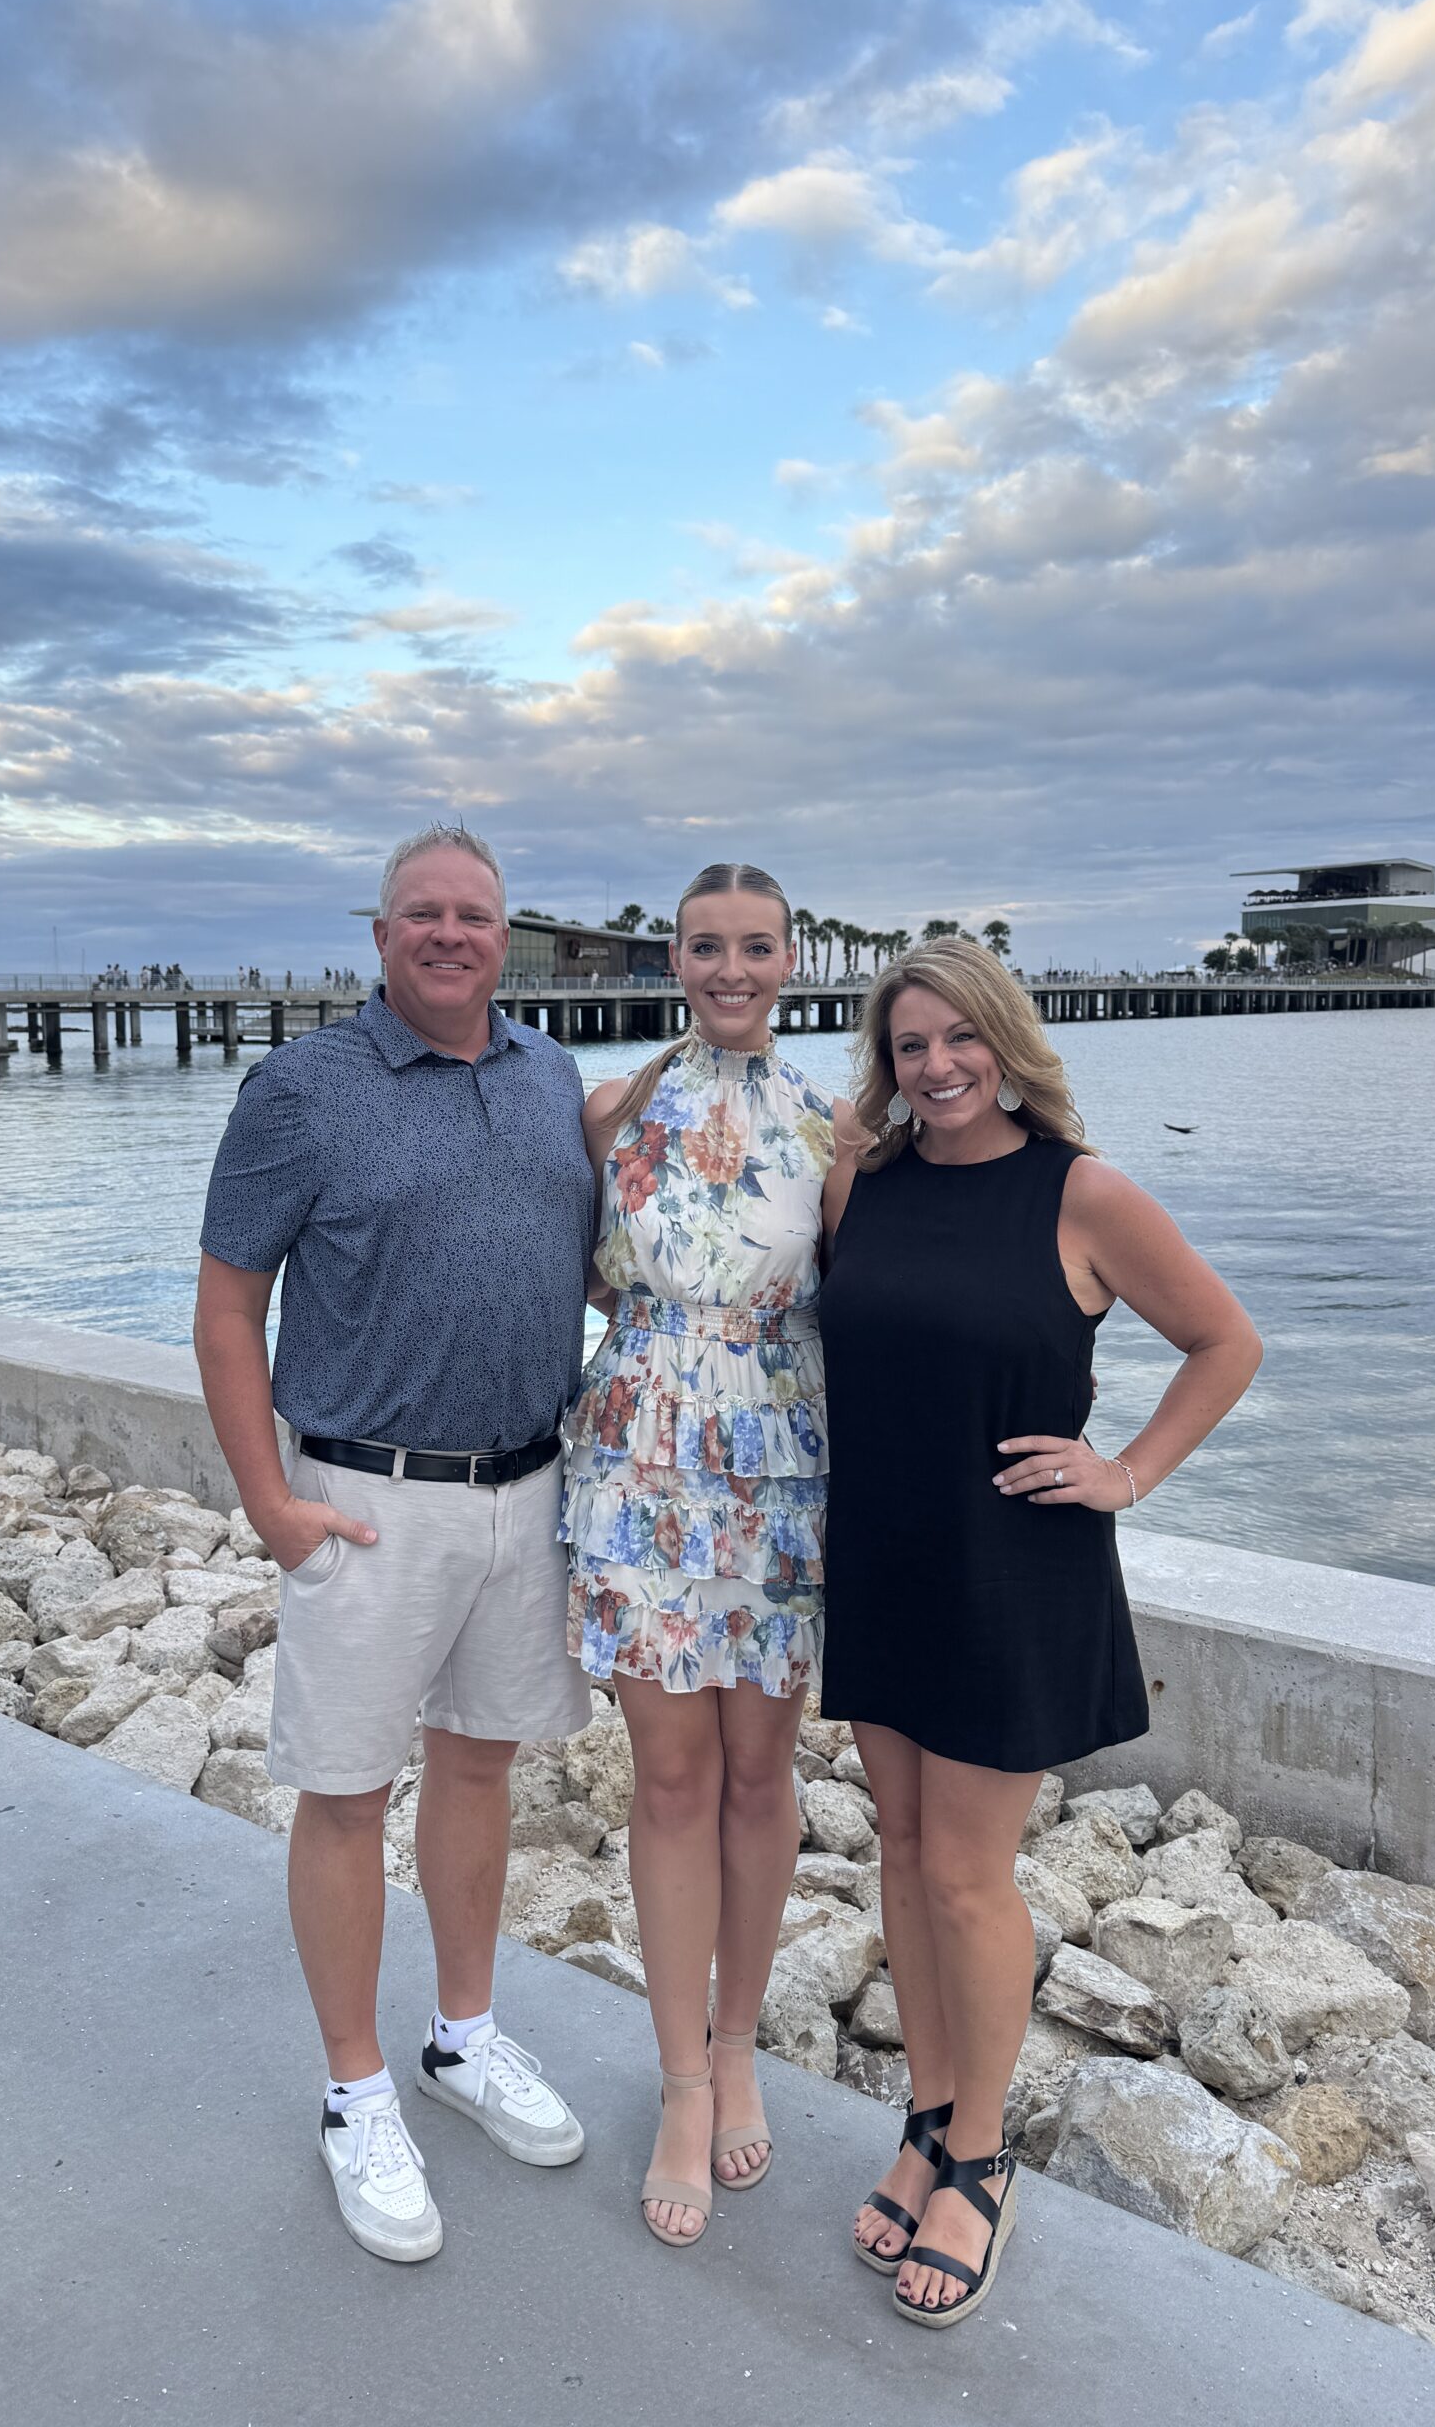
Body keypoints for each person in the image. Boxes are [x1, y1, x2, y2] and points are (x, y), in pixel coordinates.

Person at [818, 937, 1261, 2328]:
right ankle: (925, 2116)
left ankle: (982, 2156)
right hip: (882, 1554)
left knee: (965, 1875)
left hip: (1012, 1565)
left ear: (1008, 1042)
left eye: (962, 1040)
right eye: (910, 1047)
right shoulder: (862, 1182)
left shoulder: (1083, 1193)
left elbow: (1226, 1343)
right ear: (885, 1066)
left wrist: (1123, 1470)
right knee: (897, 1851)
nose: (938, 1067)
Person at [194, 824, 596, 2266]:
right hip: (366, 1497)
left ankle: (463, 2038)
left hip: (530, 1486)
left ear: (507, 935)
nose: (449, 935)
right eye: (421, 914)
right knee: (348, 1794)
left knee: (481, 1762)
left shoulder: (553, 1080)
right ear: (379, 936)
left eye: (473, 915)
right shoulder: (302, 1091)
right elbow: (229, 1308)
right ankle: (355, 2088)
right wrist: (271, 1502)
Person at [565, 863, 838, 2247]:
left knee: (756, 1774)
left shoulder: (834, 1130)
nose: (732, 968)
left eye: (756, 946)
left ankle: (740, 2050)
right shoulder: (611, 1110)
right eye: (706, 947)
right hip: (639, 1468)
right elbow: (569, 1278)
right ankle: (681, 2078)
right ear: (674, 958)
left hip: (779, 1480)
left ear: (790, 959)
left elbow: (880, 1312)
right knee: (668, 1778)